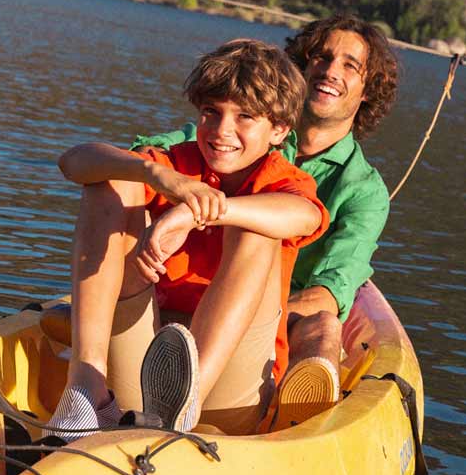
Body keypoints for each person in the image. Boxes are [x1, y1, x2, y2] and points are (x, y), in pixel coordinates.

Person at [51, 39, 328, 437]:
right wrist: (155, 175)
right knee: (110, 180)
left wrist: (194, 212)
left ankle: (185, 402)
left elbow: (302, 216)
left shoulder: (285, 181)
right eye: (211, 113)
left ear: (280, 130)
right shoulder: (179, 164)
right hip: (143, 364)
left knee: (256, 229)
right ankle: (86, 388)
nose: (221, 131)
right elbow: (73, 161)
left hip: (231, 388)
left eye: (245, 117)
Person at [134, 14, 398, 425]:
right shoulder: (231, 127)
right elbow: (143, 153)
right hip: (193, 290)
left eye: (350, 65)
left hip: (280, 317)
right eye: (322, 57)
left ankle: (294, 421)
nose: (330, 71)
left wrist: (243, 306)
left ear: (368, 90)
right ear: (302, 67)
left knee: (324, 327)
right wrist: (157, 176)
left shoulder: (364, 190)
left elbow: (333, 291)